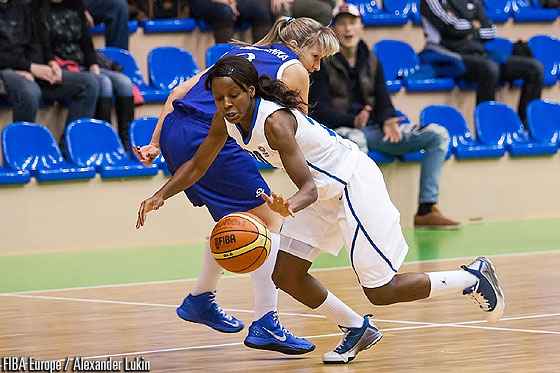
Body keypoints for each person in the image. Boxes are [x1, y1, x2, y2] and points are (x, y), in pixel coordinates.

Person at [136, 55, 505, 364]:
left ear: (251, 90)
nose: (225, 105)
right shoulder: (227, 119)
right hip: (321, 190)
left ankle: (472, 278)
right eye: (218, 99)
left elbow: (308, 188)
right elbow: (199, 165)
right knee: (287, 274)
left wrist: (287, 206)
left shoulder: (274, 122)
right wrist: (161, 195)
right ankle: (357, 328)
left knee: (382, 290)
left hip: (350, 184)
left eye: (232, 96)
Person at [134, 17, 340, 355]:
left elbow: (177, 93)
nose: (316, 67)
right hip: (211, 135)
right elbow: (299, 132)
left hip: (175, 129)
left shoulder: (242, 53)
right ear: (298, 47)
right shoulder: (294, 71)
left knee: (237, 223)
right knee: (271, 224)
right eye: (316, 56)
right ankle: (266, 322)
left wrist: (155, 143)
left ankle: (201, 299)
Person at [308, 3, 460, 229]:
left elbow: (383, 101)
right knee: (356, 143)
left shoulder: (371, 59)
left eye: (352, 23)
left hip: (371, 129)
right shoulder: (323, 62)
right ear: (333, 30)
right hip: (340, 132)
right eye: (342, 24)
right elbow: (318, 110)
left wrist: (388, 119)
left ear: (361, 26)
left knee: (437, 135)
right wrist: (352, 121)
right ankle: (364, 213)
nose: (348, 29)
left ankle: (426, 210)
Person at [32, 0, 135, 154]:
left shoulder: (77, 5)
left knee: (125, 82)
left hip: (82, 62)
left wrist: (93, 64)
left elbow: (86, 41)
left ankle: (127, 146)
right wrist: (52, 63)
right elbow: (44, 46)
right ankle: (104, 143)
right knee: (103, 83)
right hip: (62, 64)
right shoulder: (37, 9)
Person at [420, 0, 544, 124]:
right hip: (449, 55)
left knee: (535, 68)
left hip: (478, 53)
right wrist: (475, 26)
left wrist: (469, 30)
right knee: (490, 69)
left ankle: (526, 126)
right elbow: (450, 27)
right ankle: (489, 127)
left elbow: (491, 31)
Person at [0, 0, 99, 146]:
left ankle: (70, 149)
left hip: (30, 67)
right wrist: (28, 67)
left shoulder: (21, 8)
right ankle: (22, 152)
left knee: (89, 83)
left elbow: (35, 42)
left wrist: (49, 64)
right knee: (30, 91)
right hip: (5, 70)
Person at [189, 0, 272, 44]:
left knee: (261, 11)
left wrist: (231, 2)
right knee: (224, 11)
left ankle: (261, 56)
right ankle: (225, 59)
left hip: (232, 2)